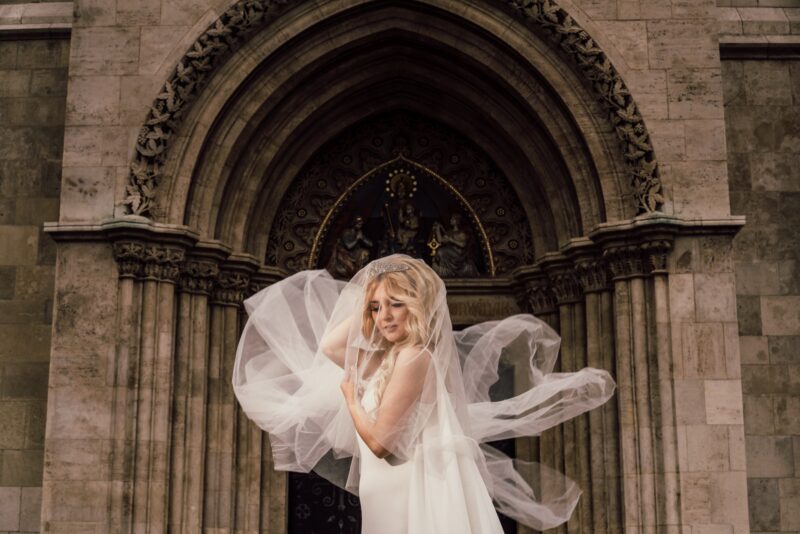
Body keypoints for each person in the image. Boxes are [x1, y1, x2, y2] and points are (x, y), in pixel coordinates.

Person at [232, 254, 615, 533]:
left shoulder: (415, 357)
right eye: (377, 309)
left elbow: (381, 442)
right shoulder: (386, 359)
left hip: (407, 487)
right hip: (381, 487)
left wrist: (350, 397)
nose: (385, 316)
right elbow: (333, 346)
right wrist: (369, 296)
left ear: (417, 308)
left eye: (396, 305)